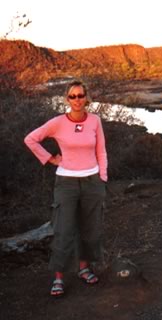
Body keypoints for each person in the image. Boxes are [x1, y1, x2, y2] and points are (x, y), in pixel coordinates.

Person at [24, 80, 107, 297]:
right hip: (66, 183)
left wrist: (102, 176)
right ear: (66, 99)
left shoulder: (95, 121)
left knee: (90, 229)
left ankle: (83, 268)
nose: (77, 100)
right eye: (73, 96)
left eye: (80, 96)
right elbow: (31, 139)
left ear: (86, 97)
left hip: (92, 181)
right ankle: (58, 278)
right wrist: (50, 158)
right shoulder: (58, 122)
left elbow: (102, 151)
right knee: (63, 230)